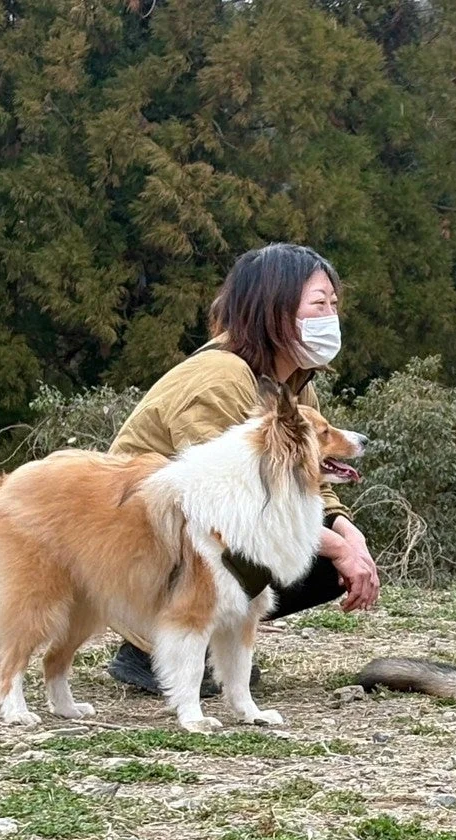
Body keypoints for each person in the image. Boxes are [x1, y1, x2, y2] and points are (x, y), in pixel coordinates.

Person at [105, 243, 380, 695]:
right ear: (274, 308)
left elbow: (308, 479)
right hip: (146, 548)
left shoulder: (294, 382)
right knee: (313, 551)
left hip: (203, 538)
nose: (330, 316)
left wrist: (350, 535)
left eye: (333, 304)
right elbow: (216, 501)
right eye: (318, 304)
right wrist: (337, 548)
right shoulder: (220, 377)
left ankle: (216, 636)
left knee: (330, 560)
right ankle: (152, 644)